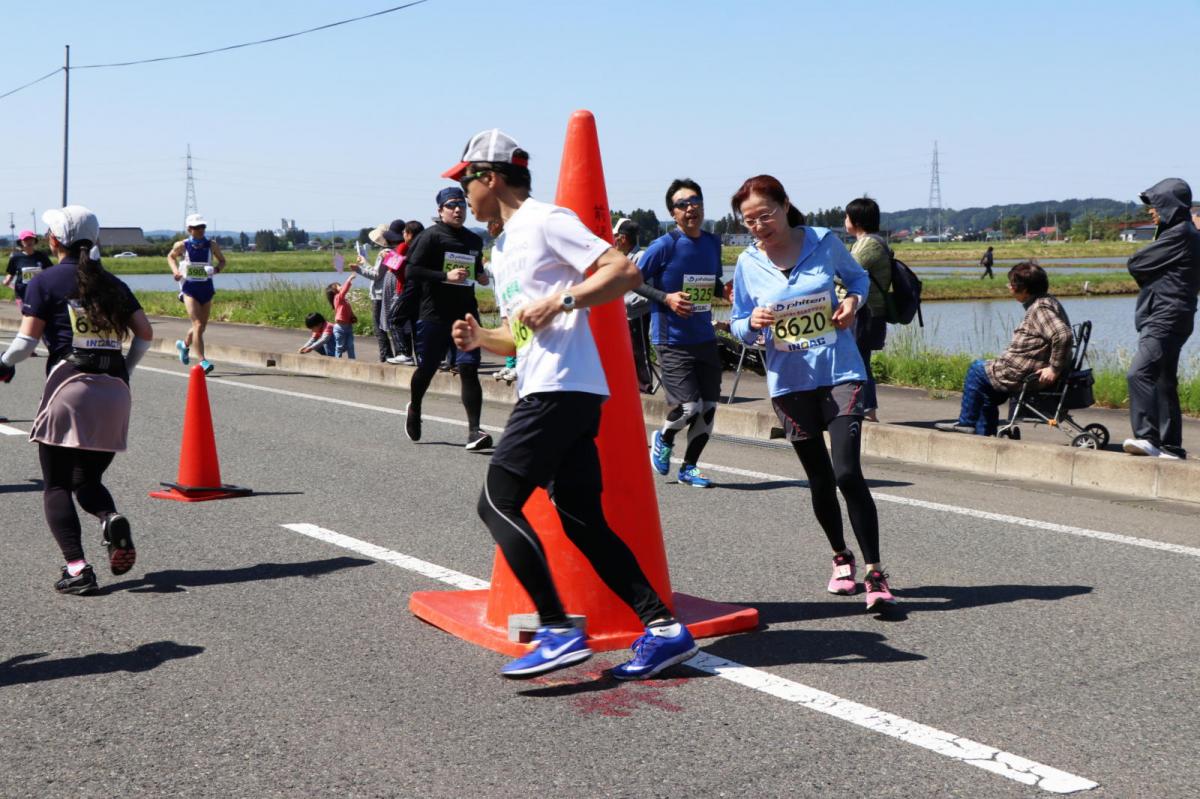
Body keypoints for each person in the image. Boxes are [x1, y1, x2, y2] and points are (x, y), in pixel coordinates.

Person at [446, 128, 698, 679]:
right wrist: (481, 338)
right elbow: (522, 334)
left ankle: (558, 629)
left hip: (561, 388)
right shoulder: (504, 244)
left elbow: (622, 271)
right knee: (582, 520)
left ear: (490, 177)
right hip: (555, 385)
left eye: (465, 179)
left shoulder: (545, 219)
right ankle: (664, 629)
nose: (461, 191)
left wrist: (561, 298)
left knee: (496, 502)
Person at [730, 175, 895, 612]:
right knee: (819, 478)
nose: (759, 225)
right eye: (749, 220)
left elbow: (858, 281)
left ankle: (875, 573)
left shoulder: (823, 242)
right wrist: (755, 324)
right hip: (789, 383)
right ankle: (841, 557)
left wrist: (851, 304)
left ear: (785, 205)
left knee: (846, 472)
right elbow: (738, 324)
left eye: (765, 214)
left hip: (840, 372)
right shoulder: (748, 263)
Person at [0, 205, 153, 594]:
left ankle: (77, 568)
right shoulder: (113, 283)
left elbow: (24, 344)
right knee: (87, 479)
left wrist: (2, 363)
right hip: (115, 391)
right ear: (95, 240)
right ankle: (109, 516)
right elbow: (146, 334)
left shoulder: (46, 280)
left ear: (54, 241)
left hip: (71, 386)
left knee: (55, 485)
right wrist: (126, 371)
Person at [641, 179, 726, 487]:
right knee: (688, 407)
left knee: (708, 408)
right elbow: (632, 280)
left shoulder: (713, 243)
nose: (691, 208)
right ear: (673, 213)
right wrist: (667, 298)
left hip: (703, 336)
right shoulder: (665, 245)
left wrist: (725, 291)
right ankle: (663, 437)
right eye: (682, 204)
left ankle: (689, 467)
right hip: (670, 338)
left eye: (696, 201)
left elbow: (713, 282)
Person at [934, 261, 1072, 437]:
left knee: (976, 370)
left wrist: (1054, 368)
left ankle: (967, 423)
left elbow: (1063, 334)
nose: (1009, 287)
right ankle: (984, 433)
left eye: (1012, 284)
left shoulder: (1040, 308)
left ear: (1024, 289)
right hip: (1024, 368)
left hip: (1022, 372)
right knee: (986, 388)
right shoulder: (1047, 301)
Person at [402, 187, 491, 450]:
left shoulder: (473, 240)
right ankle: (415, 407)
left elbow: (476, 270)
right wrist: (444, 277)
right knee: (428, 368)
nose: (457, 210)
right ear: (440, 210)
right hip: (433, 315)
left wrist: (482, 276)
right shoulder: (429, 237)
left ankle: (474, 431)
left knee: (468, 368)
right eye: (451, 205)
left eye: (462, 205)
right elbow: (411, 271)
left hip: (465, 314)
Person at [1123, 178, 1200, 460]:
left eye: (1154, 205)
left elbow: (1136, 263)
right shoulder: (1185, 233)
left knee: (1139, 373)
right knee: (1164, 380)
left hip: (1165, 315)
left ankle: (1148, 437)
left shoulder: (1179, 234)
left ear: (1168, 205)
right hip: (1176, 314)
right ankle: (1171, 446)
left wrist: (1149, 272)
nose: (1149, 211)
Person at [843, 198, 890, 423]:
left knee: (858, 360)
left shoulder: (868, 244)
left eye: (847, 216)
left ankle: (867, 410)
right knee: (858, 359)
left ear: (857, 220)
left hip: (865, 313)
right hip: (865, 311)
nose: (845, 220)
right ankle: (863, 408)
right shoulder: (867, 241)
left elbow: (847, 272)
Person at [167, 213, 225, 374]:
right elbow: (170, 257)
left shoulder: (211, 245)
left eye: (202, 227)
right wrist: (176, 271)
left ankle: (184, 345)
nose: (200, 230)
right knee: (198, 324)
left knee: (201, 327)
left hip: (206, 288)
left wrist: (217, 269)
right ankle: (202, 361)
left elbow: (222, 260)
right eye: (196, 227)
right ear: (189, 229)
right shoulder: (182, 245)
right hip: (189, 288)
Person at [614, 218, 655, 394]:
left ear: (623, 238)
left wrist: (626, 302)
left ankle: (645, 385)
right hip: (626, 313)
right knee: (628, 350)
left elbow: (649, 287)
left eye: (616, 237)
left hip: (637, 312)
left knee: (641, 350)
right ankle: (632, 385)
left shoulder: (640, 257)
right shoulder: (624, 257)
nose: (614, 240)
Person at [351, 224, 396, 362]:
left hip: (379, 294)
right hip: (388, 292)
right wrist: (364, 263)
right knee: (388, 326)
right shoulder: (394, 251)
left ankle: (386, 355)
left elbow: (376, 275)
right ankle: (390, 354)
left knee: (379, 327)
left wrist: (358, 269)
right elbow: (378, 272)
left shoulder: (385, 253)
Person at [385, 221, 425, 365]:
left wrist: (389, 254)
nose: (402, 235)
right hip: (422, 291)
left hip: (406, 289)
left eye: (404, 233)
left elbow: (391, 267)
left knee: (393, 319)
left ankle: (404, 353)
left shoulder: (403, 246)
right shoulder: (424, 247)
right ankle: (421, 357)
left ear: (409, 234)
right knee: (416, 325)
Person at [4, 230, 53, 309]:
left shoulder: (42, 256)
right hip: (22, 293)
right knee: (26, 315)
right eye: (26, 239)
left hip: (39, 292)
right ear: (21, 242)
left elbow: (51, 272)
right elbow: (11, 273)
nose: (29, 241)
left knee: (39, 315)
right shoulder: (15, 257)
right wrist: (7, 280)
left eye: (31, 239)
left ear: (35, 241)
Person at [324, 274, 357, 359]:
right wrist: (349, 279)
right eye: (338, 286)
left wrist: (353, 316)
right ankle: (338, 363)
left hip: (348, 327)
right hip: (340, 328)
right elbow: (344, 290)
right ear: (334, 290)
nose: (341, 286)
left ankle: (352, 363)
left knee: (350, 346)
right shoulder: (337, 298)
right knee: (339, 347)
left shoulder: (344, 300)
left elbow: (349, 310)